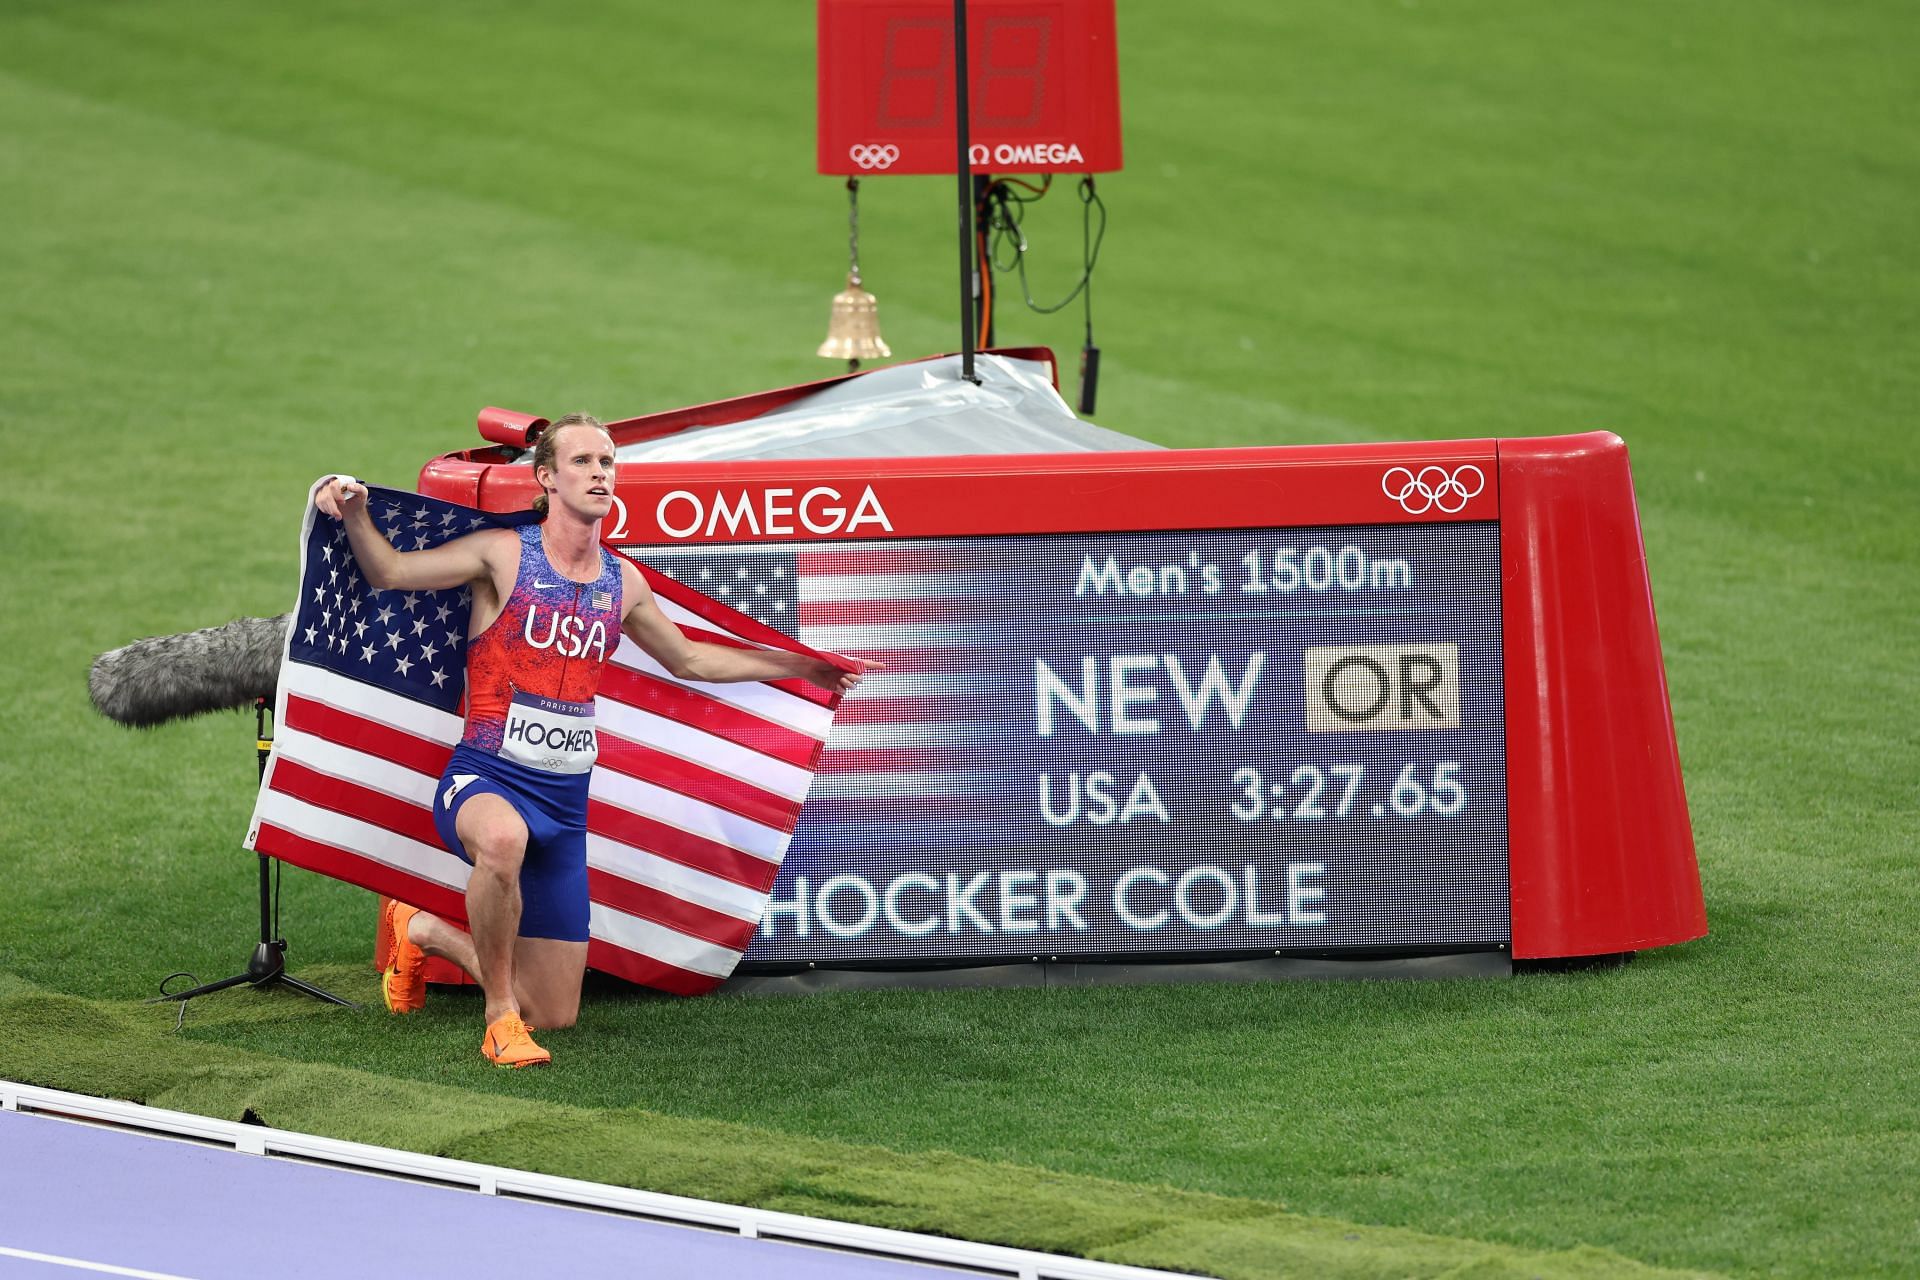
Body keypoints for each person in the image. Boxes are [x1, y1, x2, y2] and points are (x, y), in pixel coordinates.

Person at [316, 414, 870, 1068]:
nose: (600, 473)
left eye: (607, 462)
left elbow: (690, 661)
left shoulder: (622, 582)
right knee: (501, 843)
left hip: (563, 809)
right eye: (583, 462)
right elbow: (389, 572)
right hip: (487, 779)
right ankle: (499, 1022)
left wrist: (800, 666)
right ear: (547, 477)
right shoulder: (502, 553)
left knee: (556, 1012)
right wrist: (350, 508)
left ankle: (423, 929)